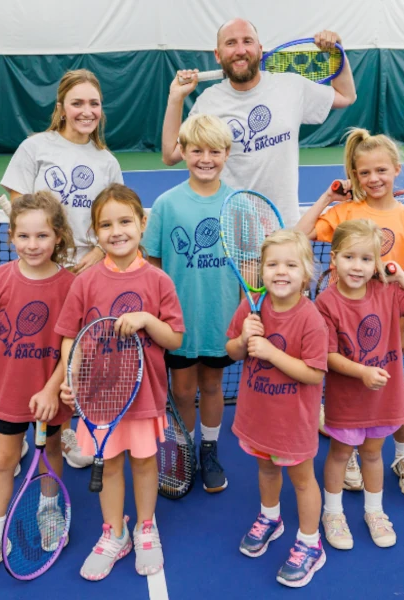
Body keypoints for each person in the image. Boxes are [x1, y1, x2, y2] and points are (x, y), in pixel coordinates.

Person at [56, 184, 185, 580]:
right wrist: (71, 380)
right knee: (109, 465)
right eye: (106, 225)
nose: (117, 231)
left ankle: (146, 527)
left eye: (125, 221)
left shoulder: (159, 281)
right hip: (98, 399)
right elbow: (69, 337)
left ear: (142, 224)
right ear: (95, 233)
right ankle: (114, 533)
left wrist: (147, 320)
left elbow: (176, 339)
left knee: (145, 464)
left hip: (144, 396)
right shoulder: (86, 281)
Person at [298, 128, 404, 497]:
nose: (373, 179)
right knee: (346, 387)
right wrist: (328, 196)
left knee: (393, 392)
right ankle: (350, 450)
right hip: (341, 319)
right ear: (354, 175)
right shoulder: (345, 211)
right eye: (364, 173)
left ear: (396, 170)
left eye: (381, 171)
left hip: (388, 321)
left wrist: (402, 330)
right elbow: (300, 234)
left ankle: (403, 455)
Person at [0, 68, 123, 467]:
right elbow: (21, 210)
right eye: (78, 103)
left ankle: (65, 427)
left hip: (86, 272)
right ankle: (17, 427)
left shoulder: (106, 161)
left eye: (94, 104)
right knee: (31, 348)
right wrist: (44, 253)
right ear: (61, 107)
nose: (87, 111)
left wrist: (98, 255)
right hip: (38, 268)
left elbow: (114, 216)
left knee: (74, 350)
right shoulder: (36, 147)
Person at [0, 192, 77, 589]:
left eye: (42, 235)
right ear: (11, 237)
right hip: (7, 391)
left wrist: (50, 389)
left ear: (58, 237)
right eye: (23, 236)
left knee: (52, 453)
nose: (32, 244)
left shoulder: (70, 286)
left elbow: (70, 346)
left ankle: (48, 508)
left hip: (51, 394)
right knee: (2, 461)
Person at [161, 19, 357, 229]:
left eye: (247, 41)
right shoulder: (208, 102)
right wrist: (175, 98)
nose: (240, 50)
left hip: (285, 227)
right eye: (230, 43)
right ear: (217, 55)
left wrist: (338, 54)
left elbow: (346, 96)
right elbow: (171, 154)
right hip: (234, 231)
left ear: (260, 50)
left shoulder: (290, 86)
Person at [314, 220, 404, 550]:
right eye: (350, 257)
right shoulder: (325, 303)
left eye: (367, 259)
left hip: (385, 398)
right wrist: (361, 372)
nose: (358, 266)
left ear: (377, 263)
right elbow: (327, 356)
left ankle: (375, 511)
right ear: (334, 258)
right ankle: (333, 513)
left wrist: (400, 278)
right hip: (347, 399)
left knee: (372, 454)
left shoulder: (389, 291)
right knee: (340, 454)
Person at [226, 229, 329, 587]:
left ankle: (310, 543)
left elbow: (314, 374)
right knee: (266, 469)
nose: (280, 272)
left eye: (290, 264)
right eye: (272, 264)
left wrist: (271, 352)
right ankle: (271, 517)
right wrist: (242, 337)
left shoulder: (311, 319)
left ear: (306, 273)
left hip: (294, 422)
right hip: (258, 415)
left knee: (302, 481)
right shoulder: (252, 305)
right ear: (261, 270)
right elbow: (233, 352)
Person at [143, 114, 238, 492]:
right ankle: (182, 449)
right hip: (177, 322)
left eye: (214, 151)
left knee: (212, 386)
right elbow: (152, 263)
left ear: (226, 154)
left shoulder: (238, 202)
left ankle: (209, 449)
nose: (205, 158)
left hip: (220, 316)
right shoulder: (166, 205)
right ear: (182, 151)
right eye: (196, 150)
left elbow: (248, 261)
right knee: (181, 391)